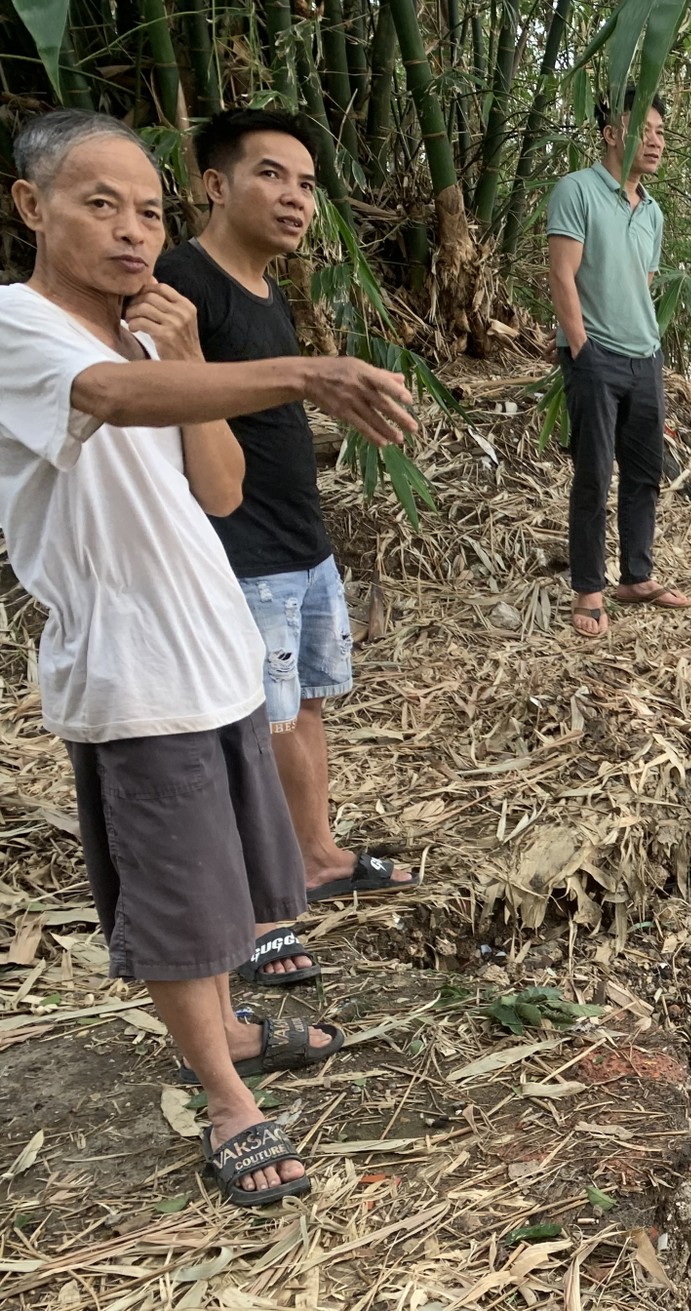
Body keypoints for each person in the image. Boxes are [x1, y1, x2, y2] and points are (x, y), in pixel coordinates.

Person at [0, 110, 418, 1207]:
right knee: (184, 901)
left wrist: (187, 352)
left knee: (229, 877)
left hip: (216, 652)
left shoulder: (149, 341)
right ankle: (229, 1101)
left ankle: (231, 1024)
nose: (133, 231)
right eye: (100, 204)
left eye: (147, 210)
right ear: (30, 207)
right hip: (134, 674)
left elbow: (220, 490)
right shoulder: (20, 328)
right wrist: (305, 374)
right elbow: (106, 400)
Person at [156, 110, 417, 989]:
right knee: (256, 724)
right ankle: (263, 906)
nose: (296, 197)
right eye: (271, 174)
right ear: (212, 184)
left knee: (304, 704)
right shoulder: (180, 282)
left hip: (300, 542)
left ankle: (315, 854)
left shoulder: (261, 288)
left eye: (306, 183)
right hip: (240, 547)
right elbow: (166, 412)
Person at [546, 86, 691, 637]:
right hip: (596, 356)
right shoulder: (577, 190)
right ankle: (589, 587)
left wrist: (646, 346)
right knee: (593, 474)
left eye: (660, 133)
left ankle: (636, 574)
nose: (655, 142)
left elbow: (644, 284)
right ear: (612, 134)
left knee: (644, 472)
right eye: (644, 131)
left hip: (645, 356)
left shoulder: (651, 211)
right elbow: (562, 275)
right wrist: (581, 346)